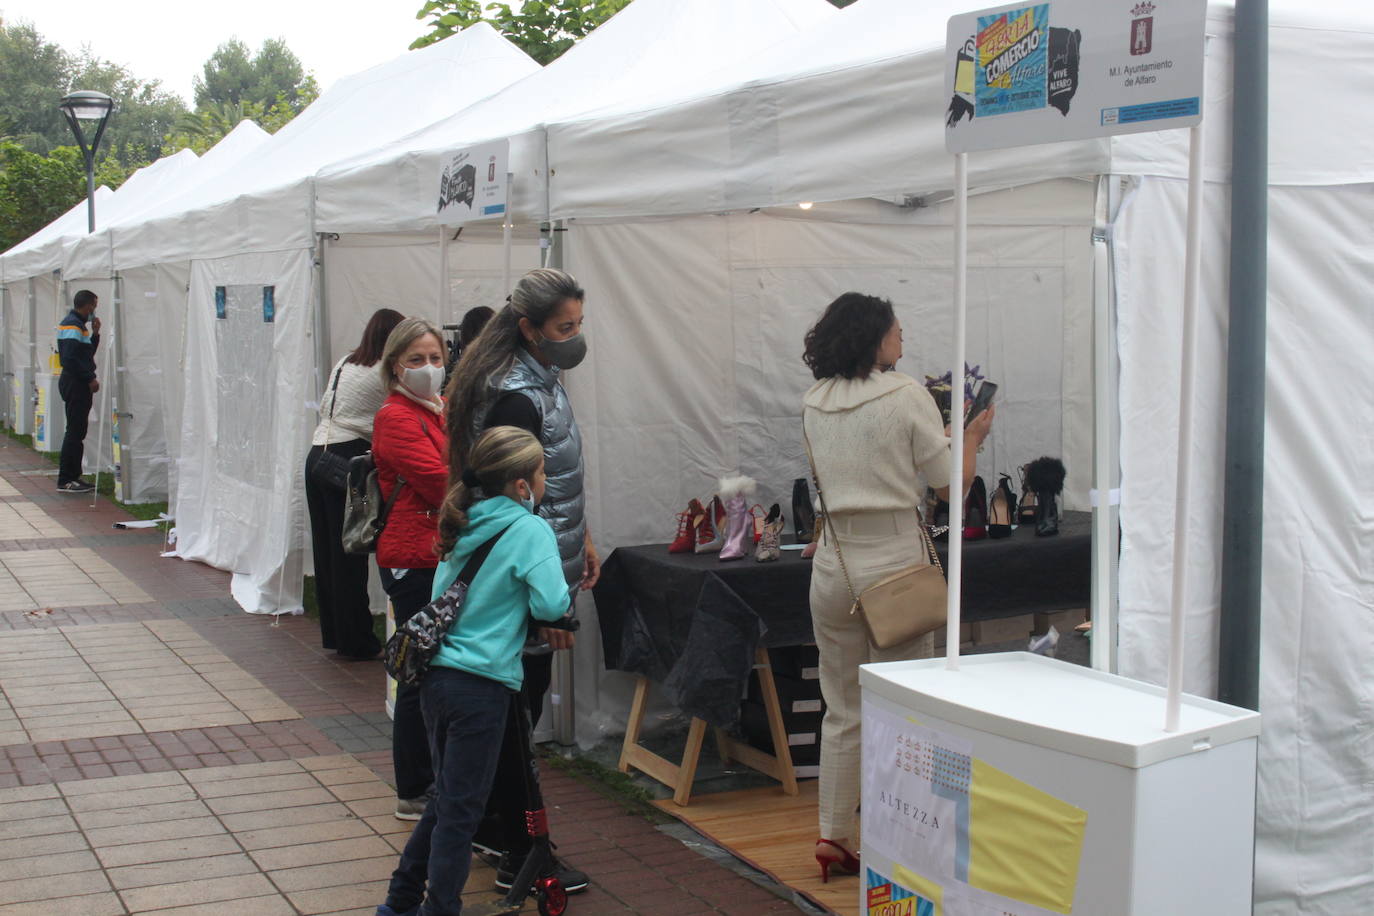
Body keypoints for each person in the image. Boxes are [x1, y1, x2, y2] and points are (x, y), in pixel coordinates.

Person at [800, 292, 993, 881]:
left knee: (842, 709)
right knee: (907, 706)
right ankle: (903, 834)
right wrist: (973, 439)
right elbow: (948, 488)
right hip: (893, 565)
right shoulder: (905, 394)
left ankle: (833, 835)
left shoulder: (813, 400)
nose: (904, 342)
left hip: (833, 566)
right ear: (874, 340)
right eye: (897, 333)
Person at [375, 426, 573, 916]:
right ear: (522, 485)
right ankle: (438, 908)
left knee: (447, 801)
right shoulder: (530, 529)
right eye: (542, 472)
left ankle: (400, 902)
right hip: (481, 684)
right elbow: (552, 600)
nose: (546, 479)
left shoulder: (467, 520)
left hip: (438, 679)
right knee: (460, 812)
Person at [444, 267, 596, 893]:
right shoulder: (515, 395)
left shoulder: (539, 379)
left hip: (545, 563)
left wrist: (581, 537)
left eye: (580, 324)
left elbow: (552, 485)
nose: (575, 337)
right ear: (529, 329)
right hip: (526, 581)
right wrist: (545, 606)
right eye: (565, 327)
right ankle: (518, 849)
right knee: (515, 715)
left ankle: (490, 825)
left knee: (515, 712)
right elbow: (523, 503)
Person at [372, 317, 450, 820]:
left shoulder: (436, 409)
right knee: (417, 671)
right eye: (416, 360)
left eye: (436, 358)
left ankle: (430, 777)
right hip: (412, 556)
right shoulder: (397, 417)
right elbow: (440, 480)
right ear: (395, 366)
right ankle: (413, 788)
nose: (428, 368)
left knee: (430, 668)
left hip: (431, 552)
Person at [305, 308, 405, 659]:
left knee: (329, 555)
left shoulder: (347, 361)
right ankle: (357, 640)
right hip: (347, 462)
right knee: (352, 554)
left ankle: (337, 634)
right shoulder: (384, 372)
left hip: (318, 455)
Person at [55, 289, 101, 493]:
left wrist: (95, 334)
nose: (95, 310)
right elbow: (70, 359)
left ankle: (74, 476)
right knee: (74, 432)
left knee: (78, 431)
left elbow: (85, 354)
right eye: (94, 306)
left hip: (76, 382)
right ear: (88, 305)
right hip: (75, 383)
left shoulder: (79, 325)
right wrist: (89, 378)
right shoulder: (72, 324)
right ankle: (66, 479)